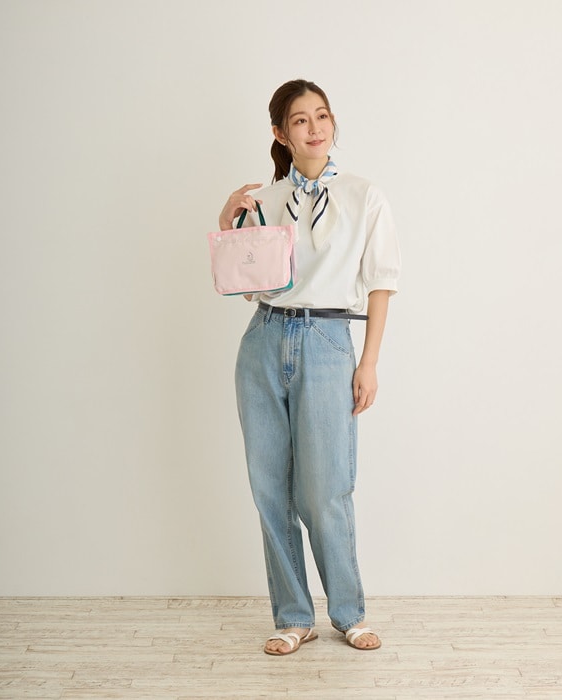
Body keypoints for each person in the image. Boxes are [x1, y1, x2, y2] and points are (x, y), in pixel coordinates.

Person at [218, 79, 400, 656]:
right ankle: (294, 616)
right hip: (263, 341)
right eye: (301, 120)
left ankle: (349, 613)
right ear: (281, 133)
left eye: (322, 116)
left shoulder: (364, 195)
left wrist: (369, 362)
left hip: (327, 340)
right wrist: (229, 224)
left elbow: (381, 282)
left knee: (326, 491)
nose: (315, 128)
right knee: (270, 490)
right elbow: (246, 287)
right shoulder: (267, 201)